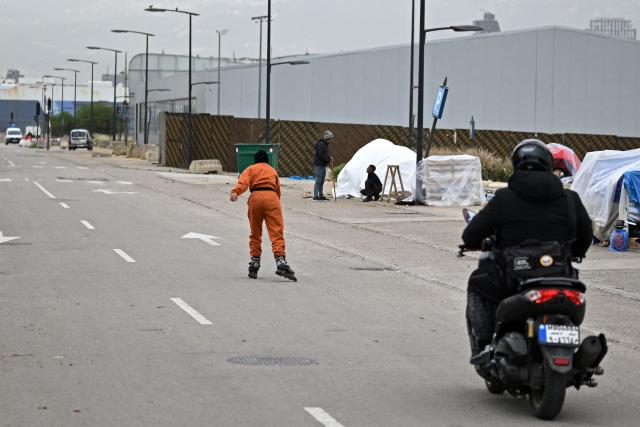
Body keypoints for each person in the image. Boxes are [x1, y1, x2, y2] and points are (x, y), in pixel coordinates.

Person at [461, 139, 592, 360]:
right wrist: (576, 252)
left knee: (477, 283)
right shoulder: (570, 199)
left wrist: (476, 242)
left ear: (516, 164)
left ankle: (484, 346)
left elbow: (471, 234)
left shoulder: (504, 198)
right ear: (549, 165)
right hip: (560, 274)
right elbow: (586, 235)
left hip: (514, 277)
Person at [230, 150, 297, 282]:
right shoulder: (272, 170)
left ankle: (254, 262)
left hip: (255, 198)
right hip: (272, 198)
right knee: (276, 232)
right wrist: (275, 203)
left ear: (255, 160)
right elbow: (277, 189)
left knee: (255, 232)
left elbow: (243, 182)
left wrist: (235, 192)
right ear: (267, 160)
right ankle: (280, 261)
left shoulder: (251, 168)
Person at [313, 130, 334, 201]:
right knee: (318, 180)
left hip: (322, 165)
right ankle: (316, 195)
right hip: (319, 165)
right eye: (331, 139)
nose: (331, 140)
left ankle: (321, 195)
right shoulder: (321, 144)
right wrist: (328, 160)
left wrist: (329, 157)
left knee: (321, 181)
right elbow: (321, 155)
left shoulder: (325, 144)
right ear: (327, 138)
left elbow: (325, 154)